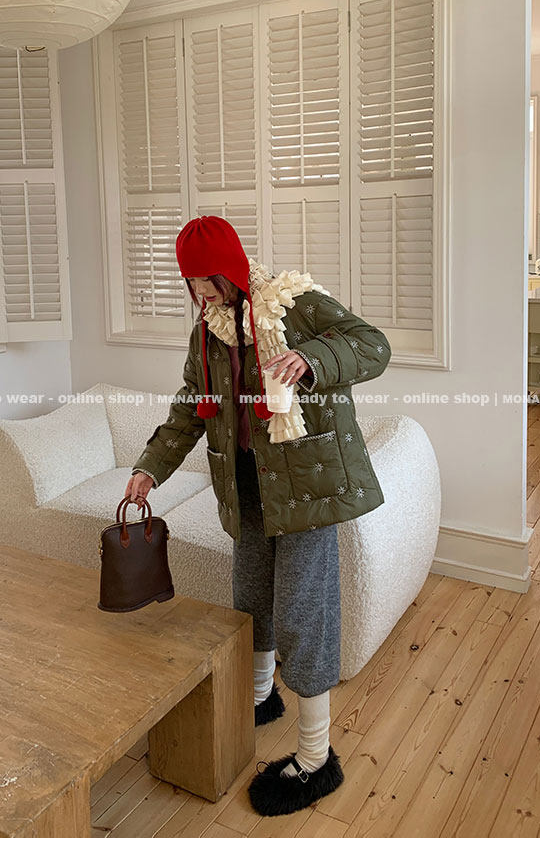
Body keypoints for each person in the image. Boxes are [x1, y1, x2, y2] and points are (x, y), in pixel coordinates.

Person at [125, 215, 391, 817]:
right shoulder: (208, 331)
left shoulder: (296, 303)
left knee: (303, 613)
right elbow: (191, 408)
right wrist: (150, 469)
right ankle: (261, 697)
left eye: (209, 280)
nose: (201, 293)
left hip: (308, 488)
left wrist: (310, 358)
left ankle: (315, 756)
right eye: (192, 283)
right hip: (245, 487)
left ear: (233, 269)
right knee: (250, 600)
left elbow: (373, 345)